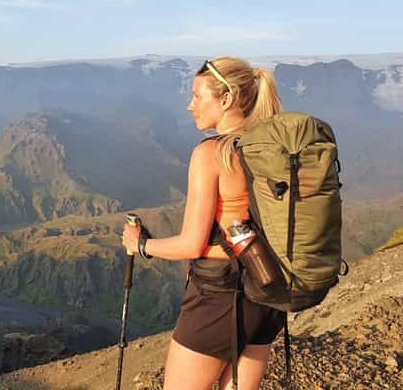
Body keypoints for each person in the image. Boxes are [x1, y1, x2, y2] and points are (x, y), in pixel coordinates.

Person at [121, 57, 285, 390]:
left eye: (197, 96)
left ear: (225, 99)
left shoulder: (212, 154)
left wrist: (139, 245)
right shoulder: (274, 145)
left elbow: (192, 244)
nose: (189, 105)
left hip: (219, 298)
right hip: (269, 292)